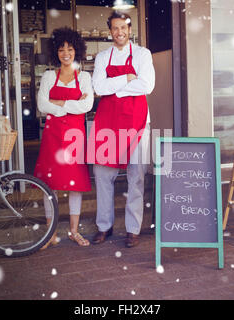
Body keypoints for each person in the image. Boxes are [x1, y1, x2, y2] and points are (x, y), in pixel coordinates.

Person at [89, 11, 155, 248]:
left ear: (129, 29)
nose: (119, 32)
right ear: (110, 32)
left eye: (123, 28)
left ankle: (132, 229)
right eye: (115, 28)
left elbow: (147, 85)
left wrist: (113, 88)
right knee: (103, 175)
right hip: (108, 121)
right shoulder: (102, 57)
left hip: (137, 121)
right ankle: (104, 227)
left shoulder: (142, 54)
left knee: (135, 177)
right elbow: (97, 86)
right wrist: (127, 78)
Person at [34, 27, 94, 247]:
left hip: (74, 136)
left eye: (69, 48)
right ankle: (51, 233)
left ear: (76, 50)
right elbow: (41, 105)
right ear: (55, 52)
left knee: (75, 184)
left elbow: (87, 105)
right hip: (53, 136)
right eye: (61, 49)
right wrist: (71, 106)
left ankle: (73, 231)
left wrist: (58, 104)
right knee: (50, 184)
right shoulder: (49, 75)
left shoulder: (85, 76)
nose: (65, 53)